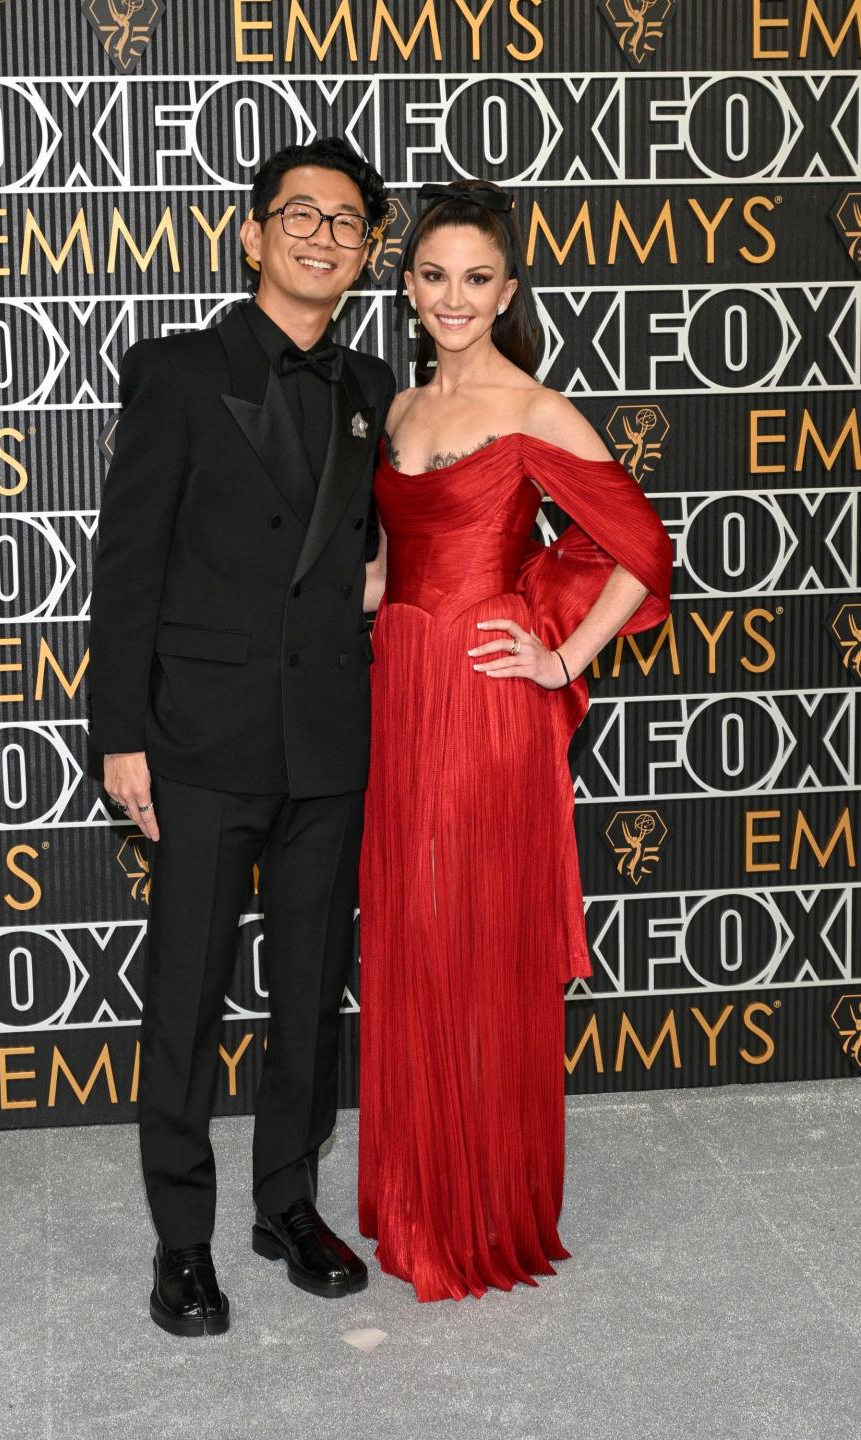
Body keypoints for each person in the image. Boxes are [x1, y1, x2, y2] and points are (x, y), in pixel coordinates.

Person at [88, 137, 396, 1335]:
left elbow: (380, 542)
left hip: (327, 737)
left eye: (349, 223)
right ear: (254, 231)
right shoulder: (173, 371)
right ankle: (180, 1240)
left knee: (311, 996)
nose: (326, 236)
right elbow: (129, 566)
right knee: (187, 1000)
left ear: (368, 253)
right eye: (303, 216)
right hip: (201, 739)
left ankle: (284, 1206)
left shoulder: (374, 386)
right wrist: (122, 734)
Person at [357, 180, 673, 1302]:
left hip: (486, 701)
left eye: (477, 278)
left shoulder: (534, 409)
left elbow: (642, 548)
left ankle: (484, 1208)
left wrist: (561, 656)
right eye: (435, 276)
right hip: (401, 687)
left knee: (476, 933)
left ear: (508, 289)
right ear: (407, 288)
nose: (455, 298)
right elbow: (398, 562)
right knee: (413, 930)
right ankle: (422, 1197)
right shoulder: (395, 409)